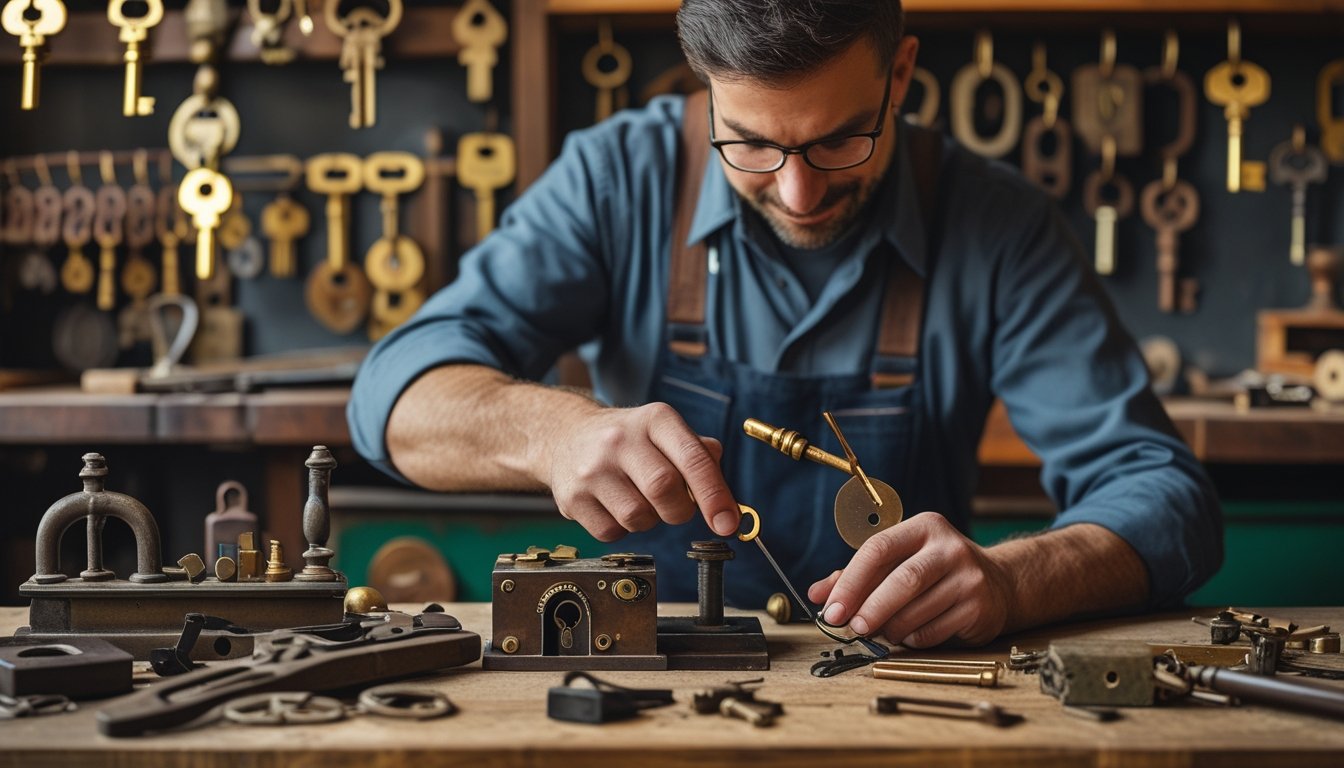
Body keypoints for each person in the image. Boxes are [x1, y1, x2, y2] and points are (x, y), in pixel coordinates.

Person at [349, 0, 1222, 648]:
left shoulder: (1001, 229)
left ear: (902, 76)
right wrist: (553, 433)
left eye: (842, 140)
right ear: (708, 95)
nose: (798, 194)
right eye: (752, 145)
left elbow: (1168, 499)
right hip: (649, 682)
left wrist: (1012, 580)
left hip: (899, 690)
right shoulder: (619, 179)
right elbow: (394, 400)